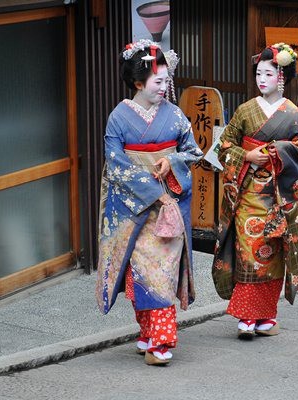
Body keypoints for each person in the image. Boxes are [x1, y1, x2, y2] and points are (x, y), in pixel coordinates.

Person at [95, 39, 203, 366]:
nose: (164, 86)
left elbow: (193, 152)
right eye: (158, 81)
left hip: (169, 205)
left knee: (162, 272)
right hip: (135, 208)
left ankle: (161, 339)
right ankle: (148, 332)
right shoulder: (118, 118)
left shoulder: (175, 116)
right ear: (138, 82)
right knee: (140, 271)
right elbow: (115, 163)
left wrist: (173, 163)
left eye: (166, 80)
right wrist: (150, 189)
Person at [212, 43, 298, 339]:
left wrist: (275, 152)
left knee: (274, 254)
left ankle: (267, 314)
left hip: (278, 195)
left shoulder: (296, 114)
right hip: (247, 194)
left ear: (281, 77)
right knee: (248, 253)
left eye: (268, 74)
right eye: (259, 73)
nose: (262, 79)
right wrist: (247, 156)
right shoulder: (245, 111)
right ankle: (246, 315)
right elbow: (223, 146)